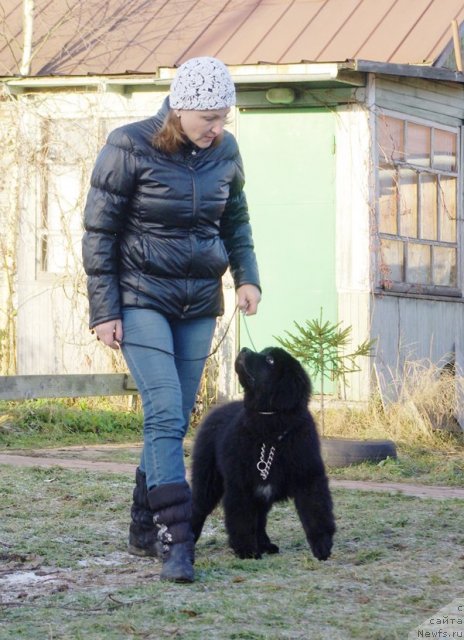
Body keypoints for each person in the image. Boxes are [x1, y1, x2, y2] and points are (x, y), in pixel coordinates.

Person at [82, 56, 261, 583]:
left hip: (198, 303)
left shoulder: (225, 150)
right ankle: (175, 539)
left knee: (178, 415)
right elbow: (99, 234)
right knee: (163, 411)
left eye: (224, 117)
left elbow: (236, 219)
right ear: (179, 108)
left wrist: (247, 276)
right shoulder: (128, 145)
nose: (218, 128)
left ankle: (144, 520)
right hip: (140, 298)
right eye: (209, 117)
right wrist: (104, 310)